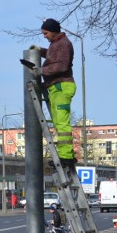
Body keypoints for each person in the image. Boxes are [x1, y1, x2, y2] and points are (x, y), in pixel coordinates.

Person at [29, 18, 77, 168]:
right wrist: (39, 50)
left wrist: (40, 71)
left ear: (53, 31)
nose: (44, 36)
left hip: (61, 87)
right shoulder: (56, 44)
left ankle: (66, 156)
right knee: (58, 123)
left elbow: (61, 66)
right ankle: (65, 155)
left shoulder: (63, 44)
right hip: (57, 87)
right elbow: (52, 56)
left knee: (62, 124)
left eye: (45, 33)